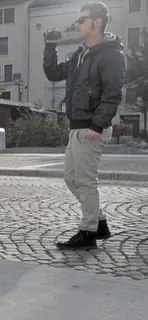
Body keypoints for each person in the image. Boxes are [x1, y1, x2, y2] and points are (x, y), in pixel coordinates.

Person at [43, 2, 124, 250]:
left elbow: (113, 93)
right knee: (71, 178)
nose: (76, 24)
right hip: (77, 126)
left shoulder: (111, 54)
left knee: (85, 181)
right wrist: (50, 47)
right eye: (77, 20)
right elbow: (54, 73)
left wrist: (98, 126)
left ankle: (88, 232)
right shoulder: (79, 54)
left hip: (91, 128)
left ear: (96, 22)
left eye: (81, 20)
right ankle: (99, 222)